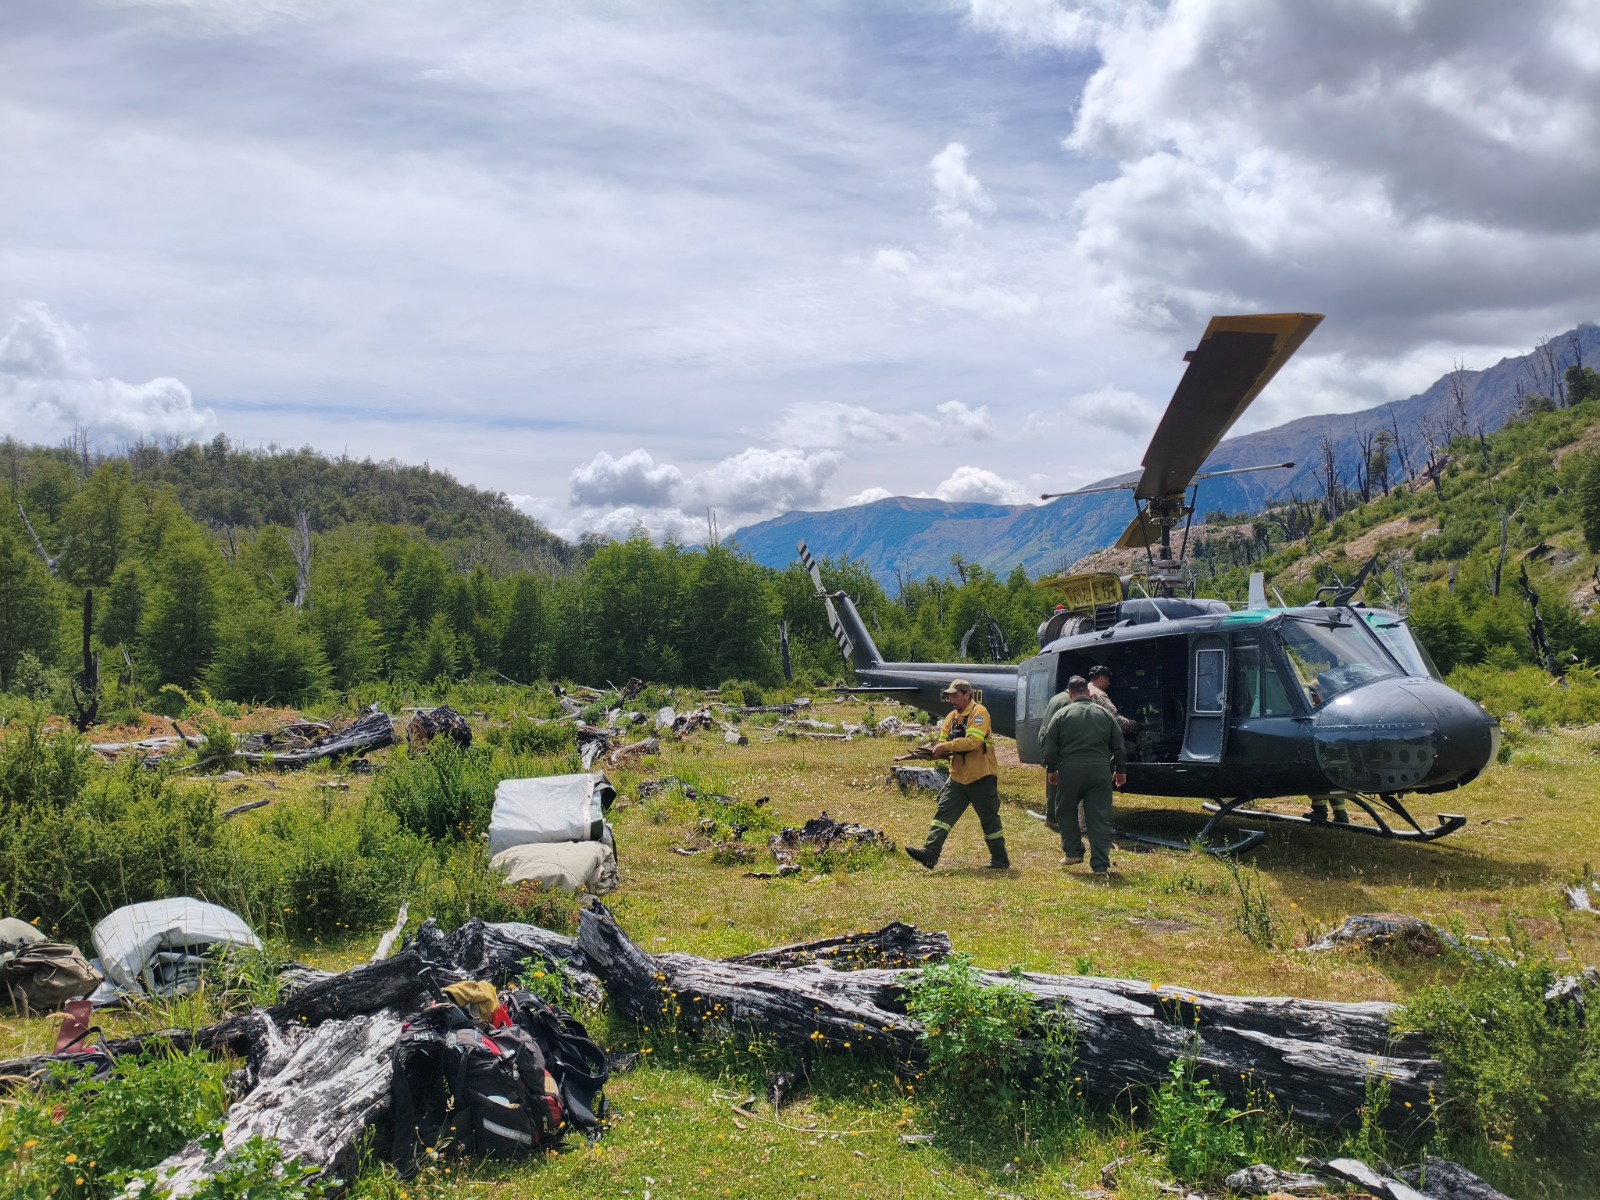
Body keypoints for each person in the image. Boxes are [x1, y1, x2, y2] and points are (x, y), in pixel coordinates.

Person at [906, 678, 1010, 871]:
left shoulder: (979, 713)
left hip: (981, 776)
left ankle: (1000, 858)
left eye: (955, 696)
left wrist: (946, 746)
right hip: (957, 778)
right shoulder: (950, 718)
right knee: (943, 813)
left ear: (967, 695)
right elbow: (944, 743)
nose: (951, 700)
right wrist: (935, 752)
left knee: (989, 819)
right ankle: (930, 853)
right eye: (950, 696)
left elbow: (974, 742)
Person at [1039, 675, 1126, 875]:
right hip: (1100, 771)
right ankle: (1100, 865)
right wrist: (1120, 770)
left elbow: (1050, 745)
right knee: (1099, 816)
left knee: (1064, 809)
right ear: (1088, 692)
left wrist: (1051, 769)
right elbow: (1119, 745)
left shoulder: (1061, 714)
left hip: (1070, 771)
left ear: (1070, 695)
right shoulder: (1104, 714)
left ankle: (1073, 851)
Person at [1087, 665, 1138, 736]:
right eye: (1108, 680)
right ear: (1101, 679)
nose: (1109, 683)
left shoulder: (1083, 690)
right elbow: (1113, 717)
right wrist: (1130, 724)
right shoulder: (1098, 694)